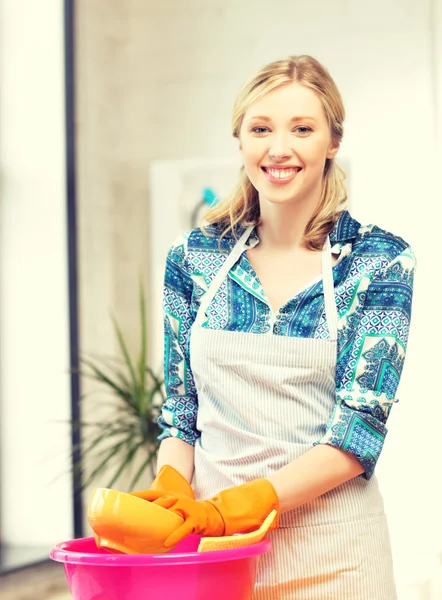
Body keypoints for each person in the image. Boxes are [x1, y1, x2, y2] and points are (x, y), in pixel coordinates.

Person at [143, 55, 415, 599]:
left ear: (332, 142)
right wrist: (173, 481)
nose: (279, 148)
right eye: (261, 128)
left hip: (335, 553)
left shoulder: (378, 261)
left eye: (303, 129)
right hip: (218, 550)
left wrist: (244, 503)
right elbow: (181, 408)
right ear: (240, 140)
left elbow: (359, 430)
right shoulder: (194, 257)